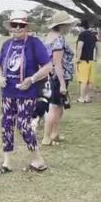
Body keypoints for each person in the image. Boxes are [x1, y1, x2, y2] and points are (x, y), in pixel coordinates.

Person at [0, 12, 53, 174]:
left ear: (26, 27)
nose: (18, 28)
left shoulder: (34, 43)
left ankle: (38, 160)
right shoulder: (6, 44)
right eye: (15, 25)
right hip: (8, 92)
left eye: (21, 25)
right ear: (10, 27)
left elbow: (48, 67)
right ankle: (7, 162)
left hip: (26, 94)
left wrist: (32, 80)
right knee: (6, 125)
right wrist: (0, 77)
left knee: (23, 125)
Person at [42, 11, 76, 146]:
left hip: (54, 77)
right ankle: (46, 137)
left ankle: (55, 133)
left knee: (60, 107)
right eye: (68, 25)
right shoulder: (58, 40)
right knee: (55, 108)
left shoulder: (49, 37)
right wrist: (62, 84)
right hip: (58, 78)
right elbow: (57, 63)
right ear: (62, 25)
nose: (70, 27)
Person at [76, 19, 98, 103]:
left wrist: (78, 58)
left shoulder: (82, 35)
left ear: (82, 27)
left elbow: (80, 47)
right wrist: (96, 58)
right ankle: (87, 97)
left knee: (83, 81)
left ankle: (81, 98)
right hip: (91, 60)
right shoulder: (93, 35)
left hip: (83, 61)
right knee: (90, 81)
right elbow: (97, 47)